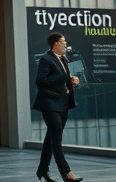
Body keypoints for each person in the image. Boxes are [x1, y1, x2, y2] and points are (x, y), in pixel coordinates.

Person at [33, 33, 83, 182]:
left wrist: (70, 81)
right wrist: (64, 77)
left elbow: (60, 79)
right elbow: (41, 82)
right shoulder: (46, 59)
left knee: (51, 137)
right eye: (63, 42)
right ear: (55, 44)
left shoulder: (62, 59)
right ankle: (66, 173)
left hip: (62, 103)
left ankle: (42, 169)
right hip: (50, 104)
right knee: (56, 137)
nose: (65, 44)